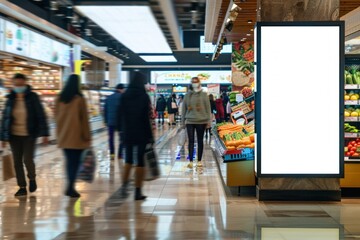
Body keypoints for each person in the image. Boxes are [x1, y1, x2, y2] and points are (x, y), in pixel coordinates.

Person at [0, 73, 49, 197]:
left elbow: (40, 115)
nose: (18, 86)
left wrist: (45, 133)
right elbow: (5, 118)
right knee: (17, 162)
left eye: (21, 84)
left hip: (29, 134)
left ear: (25, 83)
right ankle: (22, 186)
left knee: (27, 159)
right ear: (13, 84)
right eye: (16, 84)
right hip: (14, 135)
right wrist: (3, 137)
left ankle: (32, 178)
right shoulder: (10, 99)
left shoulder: (33, 97)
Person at [118, 72, 154, 201]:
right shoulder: (143, 96)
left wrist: (120, 130)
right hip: (141, 132)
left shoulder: (124, 96)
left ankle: (124, 186)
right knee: (140, 161)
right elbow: (146, 118)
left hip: (127, 132)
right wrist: (150, 136)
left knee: (128, 159)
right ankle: (137, 191)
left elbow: (119, 114)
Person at [55, 74, 91, 198]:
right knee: (75, 163)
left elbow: (56, 117)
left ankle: (69, 186)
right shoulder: (80, 99)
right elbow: (84, 119)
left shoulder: (59, 98)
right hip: (77, 137)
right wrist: (87, 135)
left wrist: (58, 134)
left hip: (64, 136)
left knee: (69, 161)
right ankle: (70, 187)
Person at [181, 77, 211, 169]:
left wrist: (208, 122)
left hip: (201, 121)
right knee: (190, 141)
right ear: (191, 83)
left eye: (196, 82)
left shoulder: (204, 95)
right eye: (193, 82)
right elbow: (184, 109)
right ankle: (190, 161)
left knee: (200, 141)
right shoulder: (187, 95)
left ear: (199, 83)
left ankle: (199, 160)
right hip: (189, 121)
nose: (195, 83)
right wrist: (183, 123)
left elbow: (208, 108)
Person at [104, 84, 125, 160]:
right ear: (121, 89)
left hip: (110, 122)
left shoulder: (109, 97)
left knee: (111, 138)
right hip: (120, 122)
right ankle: (120, 154)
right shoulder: (122, 97)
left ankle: (112, 154)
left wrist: (106, 121)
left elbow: (105, 110)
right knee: (121, 138)